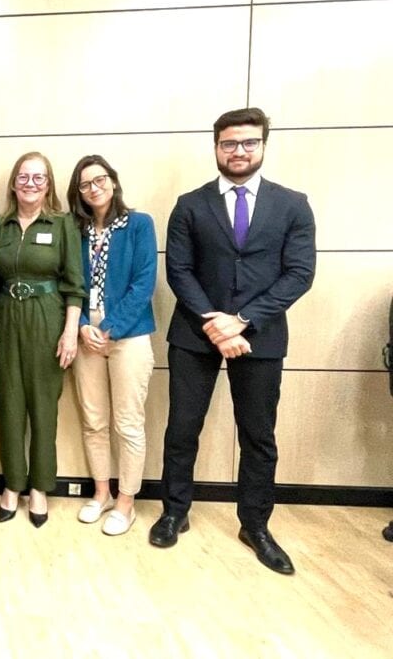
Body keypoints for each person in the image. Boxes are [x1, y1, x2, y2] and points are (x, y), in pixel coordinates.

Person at [151, 107, 316, 575]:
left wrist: (242, 320)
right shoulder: (190, 204)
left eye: (248, 143)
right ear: (216, 147)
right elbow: (179, 270)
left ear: (263, 145)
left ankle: (256, 525)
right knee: (182, 429)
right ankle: (174, 512)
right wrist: (214, 322)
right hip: (194, 335)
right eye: (229, 144)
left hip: (260, 337)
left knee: (258, 436)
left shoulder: (293, 204)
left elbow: (299, 274)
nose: (238, 151)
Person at [0, 152, 86, 528]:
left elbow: (76, 285)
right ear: (13, 183)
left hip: (48, 318)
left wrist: (70, 332)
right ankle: (12, 484)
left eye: (38, 178)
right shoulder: (0, 224)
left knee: (44, 405)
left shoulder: (62, 225)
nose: (30, 183)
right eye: (23, 177)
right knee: (9, 402)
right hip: (8, 316)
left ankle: (40, 487)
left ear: (49, 185)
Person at [66, 155, 157, 536]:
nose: (93, 188)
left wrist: (111, 327)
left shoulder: (139, 224)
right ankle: (101, 493)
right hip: (86, 334)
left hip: (129, 334)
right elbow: (68, 281)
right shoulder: (77, 229)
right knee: (94, 421)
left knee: (128, 424)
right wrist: (84, 325)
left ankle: (126, 502)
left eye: (99, 180)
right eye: (85, 185)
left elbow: (144, 281)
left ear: (113, 182)